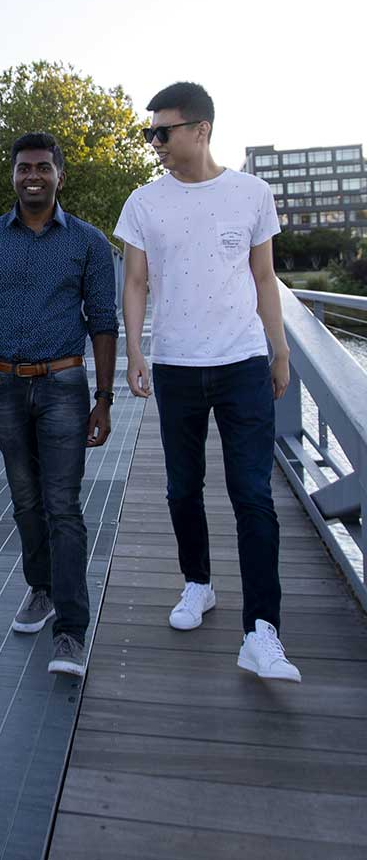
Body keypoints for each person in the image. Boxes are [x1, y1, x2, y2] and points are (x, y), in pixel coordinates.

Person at [115, 82, 301, 681]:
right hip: (175, 365)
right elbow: (137, 283)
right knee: (180, 488)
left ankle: (262, 632)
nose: (154, 144)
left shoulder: (252, 192)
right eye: (150, 134)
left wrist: (279, 351)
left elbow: (265, 278)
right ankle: (198, 583)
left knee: (253, 495)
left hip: (244, 363)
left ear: (201, 129)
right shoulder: (144, 201)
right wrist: (136, 354)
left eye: (161, 132)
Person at [0, 132, 118, 678]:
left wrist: (104, 398)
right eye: (23, 168)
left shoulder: (87, 243)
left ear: (59, 176)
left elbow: (104, 323)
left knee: (62, 506)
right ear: (13, 175)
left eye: (42, 167)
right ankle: (40, 589)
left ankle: (70, 629)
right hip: (4, 386)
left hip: (64, 384)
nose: (32, 175)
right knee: (23, 500)